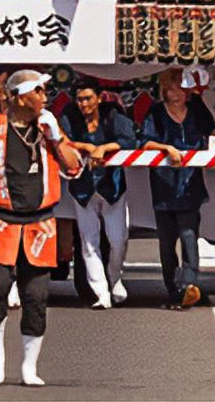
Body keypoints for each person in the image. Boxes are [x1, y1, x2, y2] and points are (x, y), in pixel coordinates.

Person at [0, 70, 84, 386]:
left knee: (36, 295)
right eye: (38, 91)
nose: (45, 96)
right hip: (1, 219)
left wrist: (55, 136)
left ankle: (29, 366)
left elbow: (73, 166)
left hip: (41, 222)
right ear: (19, 96)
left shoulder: (47, 127)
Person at [139, 68, 215, 309]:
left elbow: (212, 129)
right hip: (164, 184)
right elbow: (145, 141)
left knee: (189, 236)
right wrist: (166, 149)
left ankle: (189, 285)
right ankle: (172, 289)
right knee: (166, 243)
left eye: (180, 89)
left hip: (190, 184)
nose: (175, 94)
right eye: (170, 89)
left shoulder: (196, 109)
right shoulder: (156, 112)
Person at [60, 81, 138, 309]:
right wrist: (87, 147)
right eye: (80, 99)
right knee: (88, 241)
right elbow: (62, 139)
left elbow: (129, 139)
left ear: (99, 98)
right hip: (82, 188)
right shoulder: (69, 115)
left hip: (111, 186)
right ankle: (100, 291)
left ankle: (115, 277)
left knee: (117, 238)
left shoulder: (112, 114)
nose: (84, 104)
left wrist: (103, 148)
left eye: (88, 98)